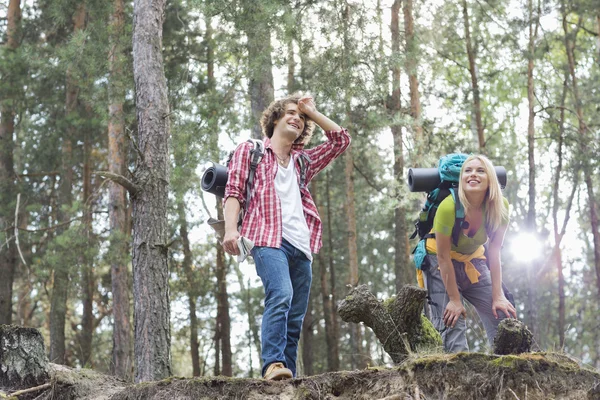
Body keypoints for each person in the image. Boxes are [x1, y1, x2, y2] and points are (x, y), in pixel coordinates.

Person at [222, 94, 351, 380]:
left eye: (301, 117)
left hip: (301, 246)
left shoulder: (302, 161)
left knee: (294, 317)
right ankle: (272, 364)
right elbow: (234, 191)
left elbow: (341, 140)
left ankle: (285, 376)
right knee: (281, 294)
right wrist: (231, 229)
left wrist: (312, 112)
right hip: (266, 239)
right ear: (275, 119)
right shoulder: (251, 150)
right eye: (291, 113)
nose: (297, 118)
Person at [422, 154, 517, 352]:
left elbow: (495, 251)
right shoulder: (448, 207)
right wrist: (455, 300)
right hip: (438, 261)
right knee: (452, 321)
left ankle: (506, 370)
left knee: (501, 314)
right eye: (468, 171)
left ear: (490, 178)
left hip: (473, 260)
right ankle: (458, 377)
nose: (473, 175)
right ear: (461, 179)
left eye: (480, 170)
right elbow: (442, 256)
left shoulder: (501, 207)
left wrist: (498, 295)